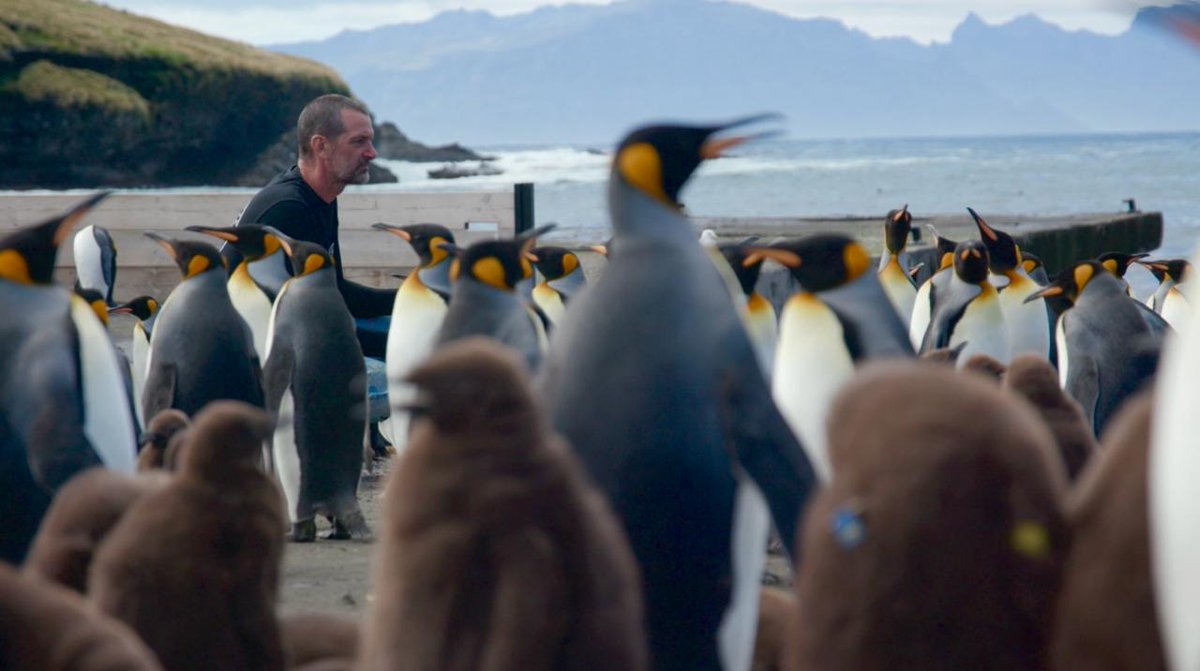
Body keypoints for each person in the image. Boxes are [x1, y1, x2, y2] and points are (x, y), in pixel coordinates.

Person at [225, 94, 396, 357]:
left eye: (370, 141)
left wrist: (416, 296)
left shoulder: (320, 196)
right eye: (359, 142)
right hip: (252, 357)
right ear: (322, 146)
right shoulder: (288, 209)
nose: (372, 153)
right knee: (406, 369)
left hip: (298, 332)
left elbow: (335, 293)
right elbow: (306, 325)